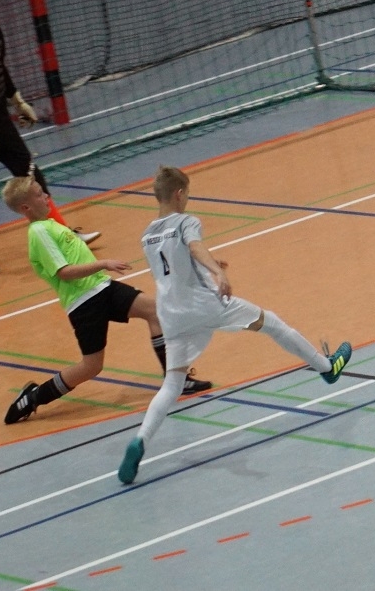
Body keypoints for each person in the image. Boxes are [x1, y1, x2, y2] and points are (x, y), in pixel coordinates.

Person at [117, 166, 352, 484]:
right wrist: (217, 271)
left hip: (170, 313)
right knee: (272, 323)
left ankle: (140, 441)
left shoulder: (147, 234)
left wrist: (208, 263)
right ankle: (327, 368)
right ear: (179, 194)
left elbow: (174, 264)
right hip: (204, 304)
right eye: (188, 194)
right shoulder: (187, 221)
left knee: (172, 384)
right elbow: (193, 246)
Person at [0, 176, 211, 425]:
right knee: (92, 366)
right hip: (84, 303)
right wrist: (103, 263)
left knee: (156, 311)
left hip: (102, 287)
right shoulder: (39, 232)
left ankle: (177, 381)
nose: (46, 196)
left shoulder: (50, 224)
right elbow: (64, 272)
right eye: (39, 194)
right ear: (26, 207)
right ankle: (34, 397)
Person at [0, 0, 99, 278]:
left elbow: (1, 71)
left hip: (1, 123)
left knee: (31, 177)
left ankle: (64, 235)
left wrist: (17, 100)